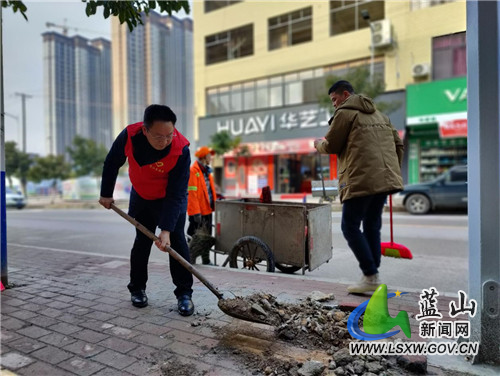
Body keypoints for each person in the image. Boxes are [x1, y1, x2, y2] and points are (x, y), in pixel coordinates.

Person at [99, 104, 194, 316]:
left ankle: (184, 294)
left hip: (170, 200)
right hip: (142, 197)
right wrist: (106, 193)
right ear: (145, 130)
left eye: (169, 135)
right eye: (159, 136)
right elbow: (112, 162)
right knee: (142, 243)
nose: (165, 141)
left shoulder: (181, 149)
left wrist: (166, 229)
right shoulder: (130, 135)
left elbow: (177, 193)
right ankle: (137, 289)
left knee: (177, 242)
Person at [314, 80, 404, 294]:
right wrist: (390, 171)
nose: (334, 105)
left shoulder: (345, 113)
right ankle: (373, 277)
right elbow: (398, 144)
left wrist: (318, 145)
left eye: (335, 99)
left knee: (350, 226)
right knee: (372, 226)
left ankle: (370, 276)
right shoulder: (380, 115)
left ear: (345, 94)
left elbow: (333, 145)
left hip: (361, 179)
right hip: (383, 180)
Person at [187, 146, 216, 265]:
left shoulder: (206, 171)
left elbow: (208, 190)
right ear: (204, 157)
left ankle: (206, 260)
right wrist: (195, 212)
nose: (211, 158)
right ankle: (188, 258)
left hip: (207, 209)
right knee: (194, 236)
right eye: (209, 155)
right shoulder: (194, 170)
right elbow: (192, 193)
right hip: (198, 211)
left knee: (206, 236)